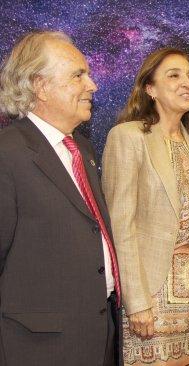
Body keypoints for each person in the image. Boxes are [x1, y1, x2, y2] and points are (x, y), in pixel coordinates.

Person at [101, 47, 189, 366]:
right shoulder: (127, 138)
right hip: (152, 292)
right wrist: (135, 301)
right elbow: (122, 227)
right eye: (173, 75)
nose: (187, 82)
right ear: (150, 88)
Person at [0, 31, 120, 365]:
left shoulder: (81, 148)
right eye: (78, 75)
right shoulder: (6, 154)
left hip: (95, 333)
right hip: (36, 346)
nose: (92, 85)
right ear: (40, 86)